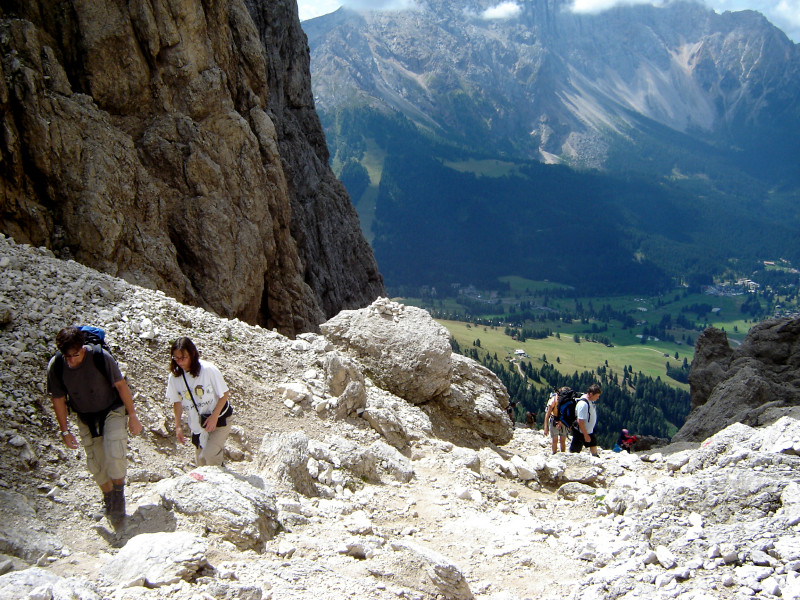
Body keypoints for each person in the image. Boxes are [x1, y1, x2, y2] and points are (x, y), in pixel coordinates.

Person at [47, 326, 143, 521]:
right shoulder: (57, 365)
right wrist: (64, 431)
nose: (71, 360)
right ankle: (108, 499)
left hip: (111, 408)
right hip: (84, 415)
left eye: (75, 355)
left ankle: (118, 498)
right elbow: (58, 399)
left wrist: (132, 415)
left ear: (83, 348)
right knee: (95, 462)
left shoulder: (101, 356)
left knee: (114, 452)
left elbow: (120, 385)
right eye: (67, 356)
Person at [166, 337, 232, 466]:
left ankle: (219, 481)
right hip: (199, 424)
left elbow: (224, 393)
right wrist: (178, 426)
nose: (180, 362)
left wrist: (214, 417)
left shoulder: (208, 369)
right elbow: (177, 402)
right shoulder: (175, 377)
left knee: (210, 455)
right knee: (201, 461)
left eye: (183, 357)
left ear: (192, 354)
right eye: (176, 358)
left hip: (220, 418)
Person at [569, 383, 602, 456]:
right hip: (581, 431)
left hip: (588, 430)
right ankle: (571, 459)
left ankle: (595, 457)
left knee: (593, 443)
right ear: (590, 394)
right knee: (575, 450)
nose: (598, 398)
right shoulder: (583, 404)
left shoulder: (589, 400)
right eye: (597, 396)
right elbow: (580, 421)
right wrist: (585, 435)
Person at [543, 389, 567, 454]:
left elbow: (547, 414)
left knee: (555, 440)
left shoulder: (553, 400)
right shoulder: (566, 400)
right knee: (562, 440)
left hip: (555, 419)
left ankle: (554, 453)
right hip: (563, 420)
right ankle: (563, 454)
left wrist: (546, 427)